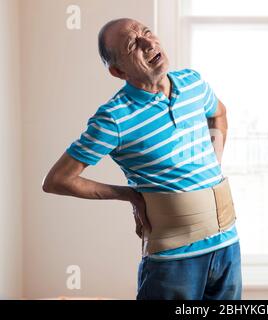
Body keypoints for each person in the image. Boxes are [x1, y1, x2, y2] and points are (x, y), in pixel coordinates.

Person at [42, 18, 242, 300]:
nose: (148, 43)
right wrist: (129, 195)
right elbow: (57, 180)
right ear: (117, 70)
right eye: (133, 44)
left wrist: (214, 161)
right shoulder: (114, 118)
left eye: (147, 33)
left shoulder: (193, 83)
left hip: (227, 246)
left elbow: (219, 113)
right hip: (174, 258)